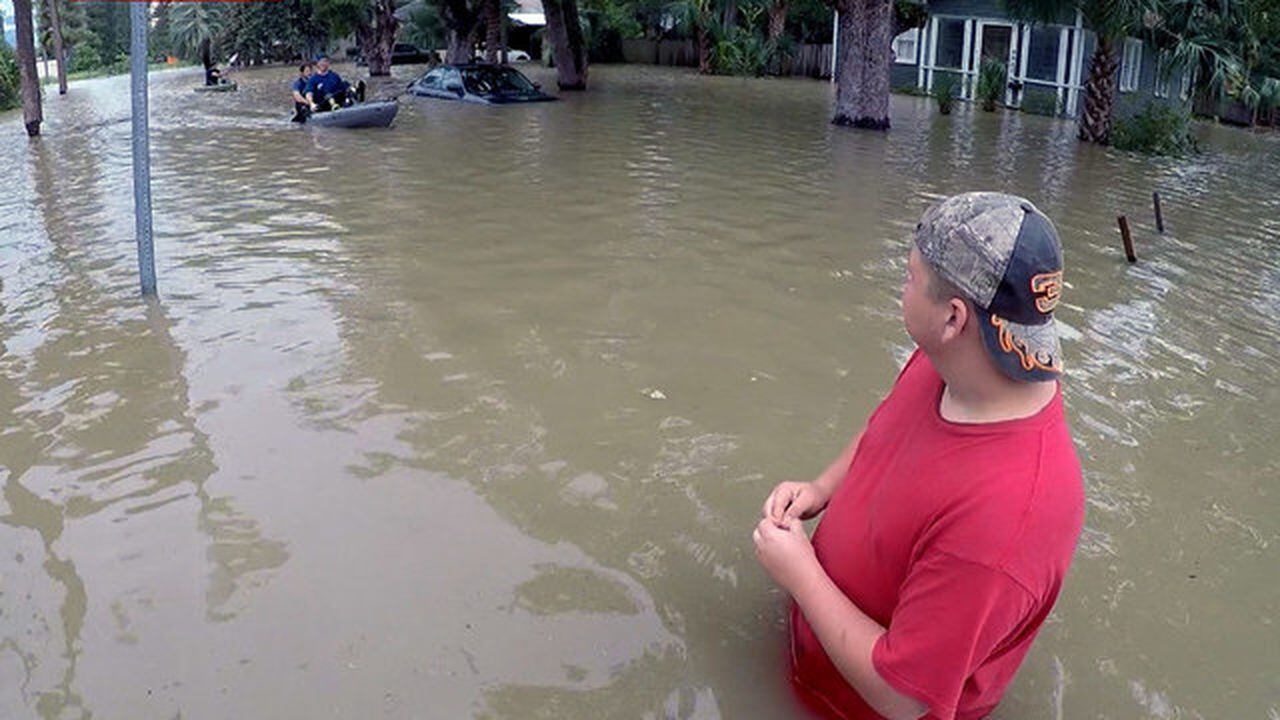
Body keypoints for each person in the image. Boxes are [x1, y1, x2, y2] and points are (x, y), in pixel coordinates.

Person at [754, 192, 1084, 720]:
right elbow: (885, 427)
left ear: (953, 317)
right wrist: (821, 489)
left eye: (909, 277)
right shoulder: (965, 361)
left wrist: (800, 574)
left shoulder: (1007, 519)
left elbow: (903, 699)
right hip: (811, 647)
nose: (902, 288)